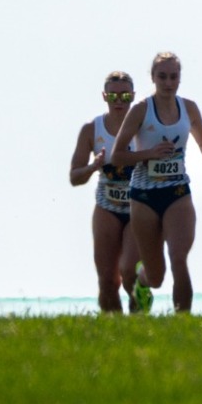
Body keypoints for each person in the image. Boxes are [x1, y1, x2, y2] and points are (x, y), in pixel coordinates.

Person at [107, 52, 202, 313]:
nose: (168, 83)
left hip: (177, 191)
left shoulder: (189, 108)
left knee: (179, 258)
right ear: (153, 78)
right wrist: (149, 154)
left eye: (173, 77)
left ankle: (183, 323)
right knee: (156, 276)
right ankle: (142, 283)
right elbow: (117, 156)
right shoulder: (140, 110)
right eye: (162, 77)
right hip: (144, 196)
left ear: (180, 78)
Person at [67, 70, 143, 313]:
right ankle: (113, 333)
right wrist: (93, 167)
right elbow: (74, 177)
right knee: (108, 281)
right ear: (104, 97)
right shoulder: (92, 130)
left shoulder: (144, 127)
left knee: (130, 272)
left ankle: (140, 319)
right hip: (107, 207)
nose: (118, 101)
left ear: (133, 96)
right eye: (113, 96)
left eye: (124, 96)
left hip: (138, 207)